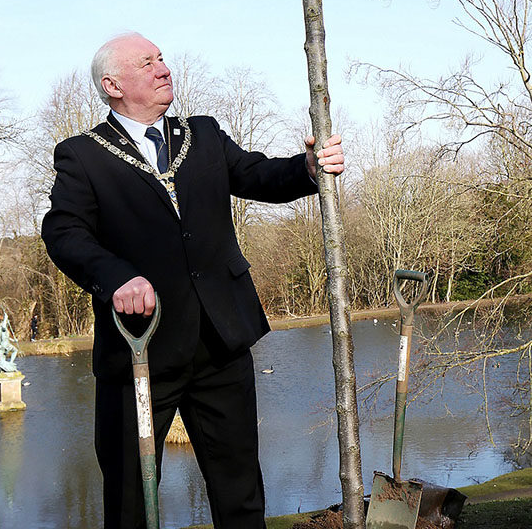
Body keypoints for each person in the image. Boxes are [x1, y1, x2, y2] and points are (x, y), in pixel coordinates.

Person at [40, 32, 344, 529]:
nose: (163, 68)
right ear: (112, 85)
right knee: (130, 498)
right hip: (138, 347)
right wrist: (116, 277)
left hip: (220, 341)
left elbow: (258, 175)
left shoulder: (202, 135)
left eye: (162, 58)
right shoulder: (83, 155)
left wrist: (307, 168)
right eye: (147, 62)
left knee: (240, 489)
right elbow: (64, 231)